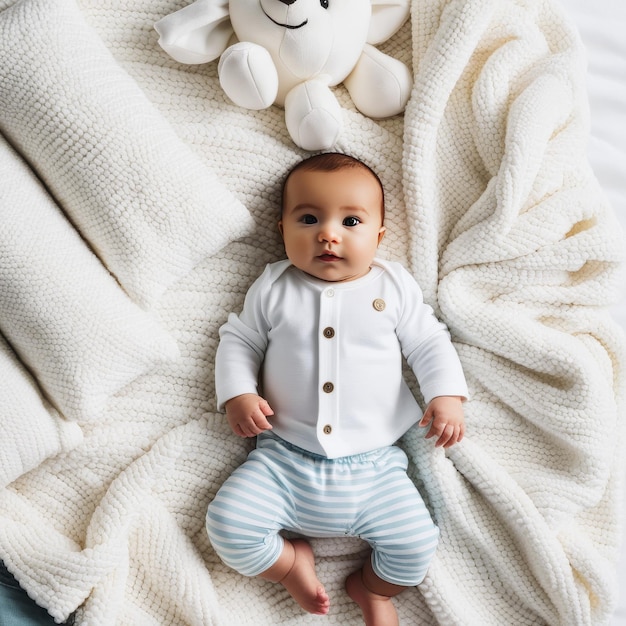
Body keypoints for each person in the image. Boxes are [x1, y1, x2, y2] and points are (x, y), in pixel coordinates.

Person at [207, 152, 468, 625]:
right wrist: (238, 394)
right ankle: (291, 564)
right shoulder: (273, 286)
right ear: (282, 229)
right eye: (308, 219)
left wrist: (446, 394)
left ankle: (371, 589)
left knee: (416, 545)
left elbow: (429, 342)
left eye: (351, 220)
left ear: (379, 237)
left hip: (374, 470)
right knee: (227, 527)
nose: (329, 233)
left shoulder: (393, 288)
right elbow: (238, 339)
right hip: (282, 460)